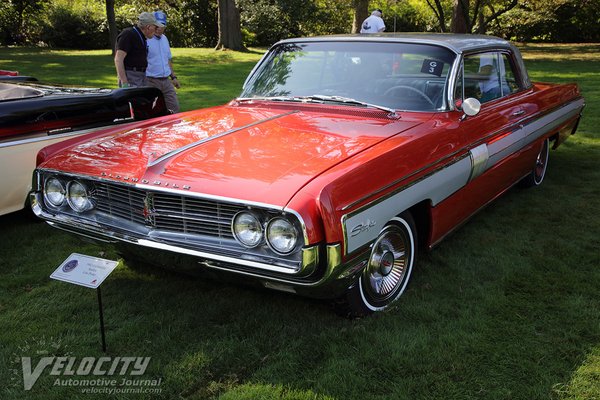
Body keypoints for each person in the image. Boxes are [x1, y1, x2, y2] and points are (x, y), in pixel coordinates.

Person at [114, 12, 164, 88]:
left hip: (142, 76)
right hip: (131, 76)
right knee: (135, 100)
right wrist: (124, 83)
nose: (156, 30)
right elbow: (118, 59)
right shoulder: (128, 34)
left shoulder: (142, 37)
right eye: (155, 27)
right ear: (148, 27)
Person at [146, 11, 180, 113]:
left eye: (162, 25)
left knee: (174, 108)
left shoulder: (165, 39)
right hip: (151, 81)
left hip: (166, 81)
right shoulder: (146, 39)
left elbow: (168, 59)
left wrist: (173, 77)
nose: (159, 28)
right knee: (151, 111)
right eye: (157, 25)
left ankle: (173, 128)